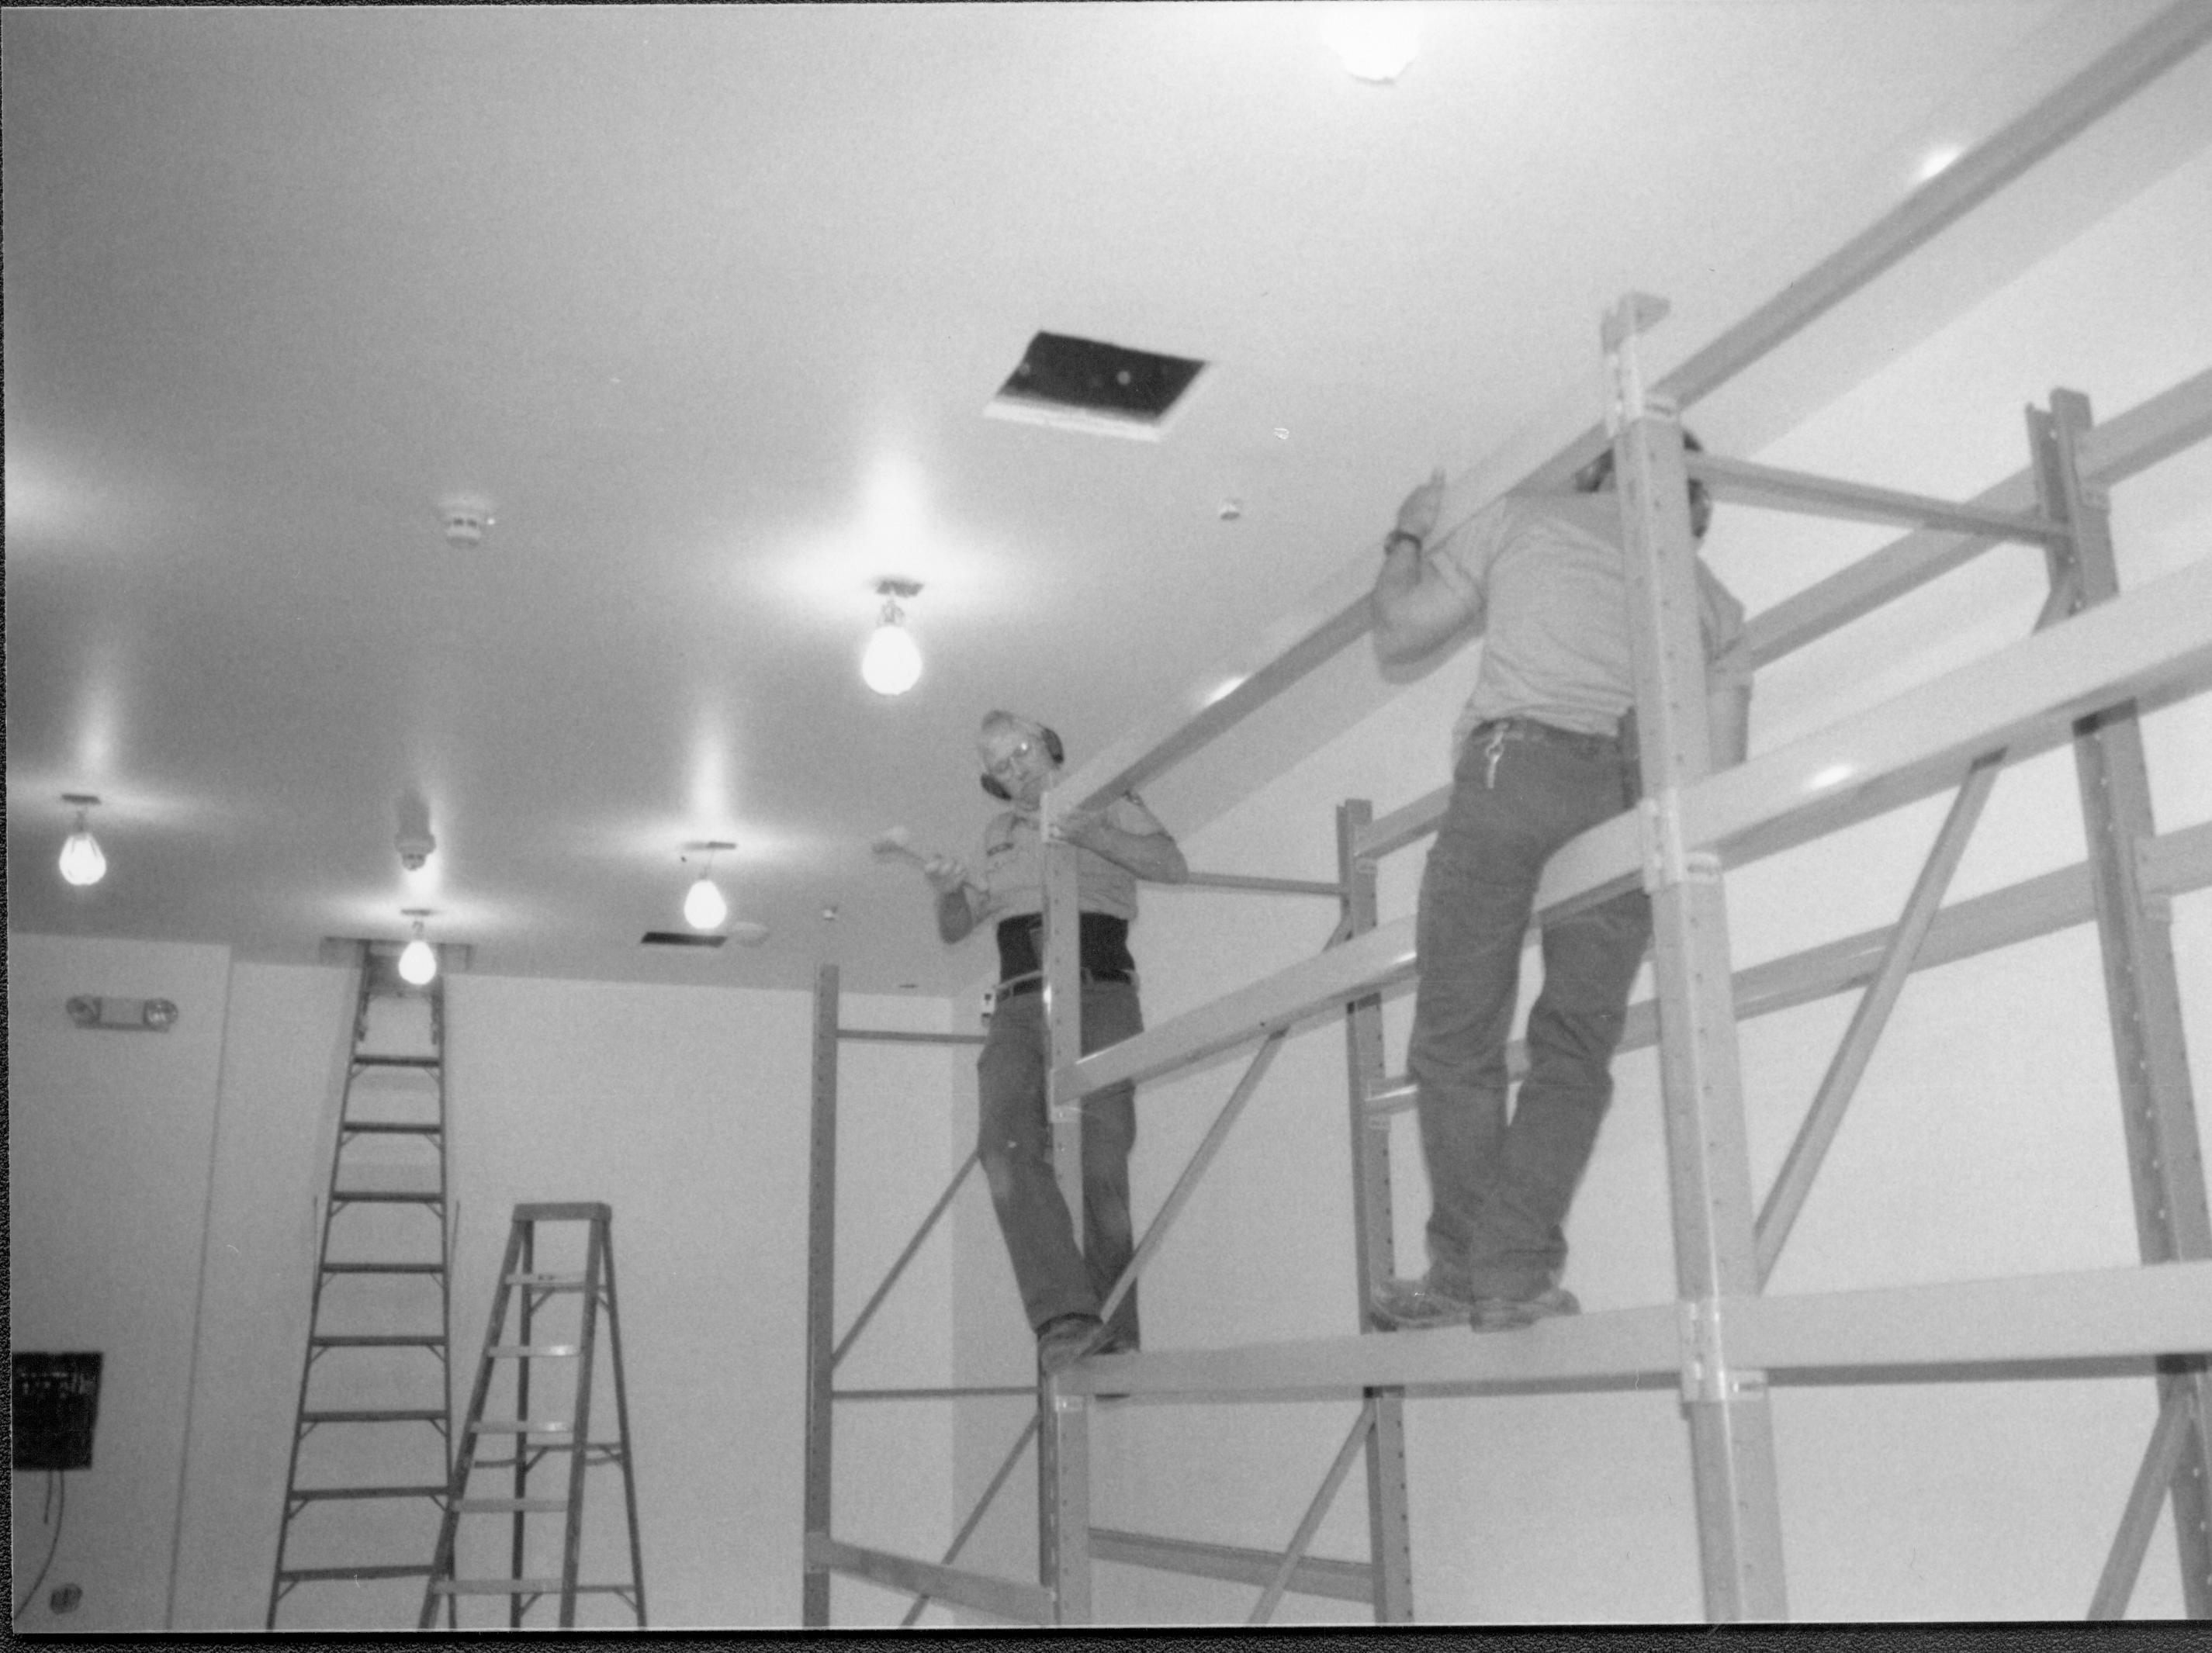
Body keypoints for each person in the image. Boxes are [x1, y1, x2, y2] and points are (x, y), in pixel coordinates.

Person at [1366, 434, 1750, 1331]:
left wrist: (1407, 536)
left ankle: (1471, 1267)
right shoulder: (1714, 604)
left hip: (1516, 770)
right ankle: (1508, 1271)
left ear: (1598, 473)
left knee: (1456, 1041)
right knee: (1573, 1049)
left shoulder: (1526, 517)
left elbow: (1399, 631)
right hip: (1630, 796)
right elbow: (1718, 778)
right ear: (1689, 507)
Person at [914, 710, 1187, 1375]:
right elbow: (959, 926)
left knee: (1100, 1161)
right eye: (1000, 766)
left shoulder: (1108, 796)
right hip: (1017, 998)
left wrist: (1092, 831)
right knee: (1003, 1145)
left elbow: (1170, 864)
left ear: (1048, 745)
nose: (1016, 769)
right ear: (993, 781)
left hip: (1098, 989)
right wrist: (948, 891)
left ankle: (1115, 1333)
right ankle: (1065, 1318)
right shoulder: (999, 832)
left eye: (1022, 751)